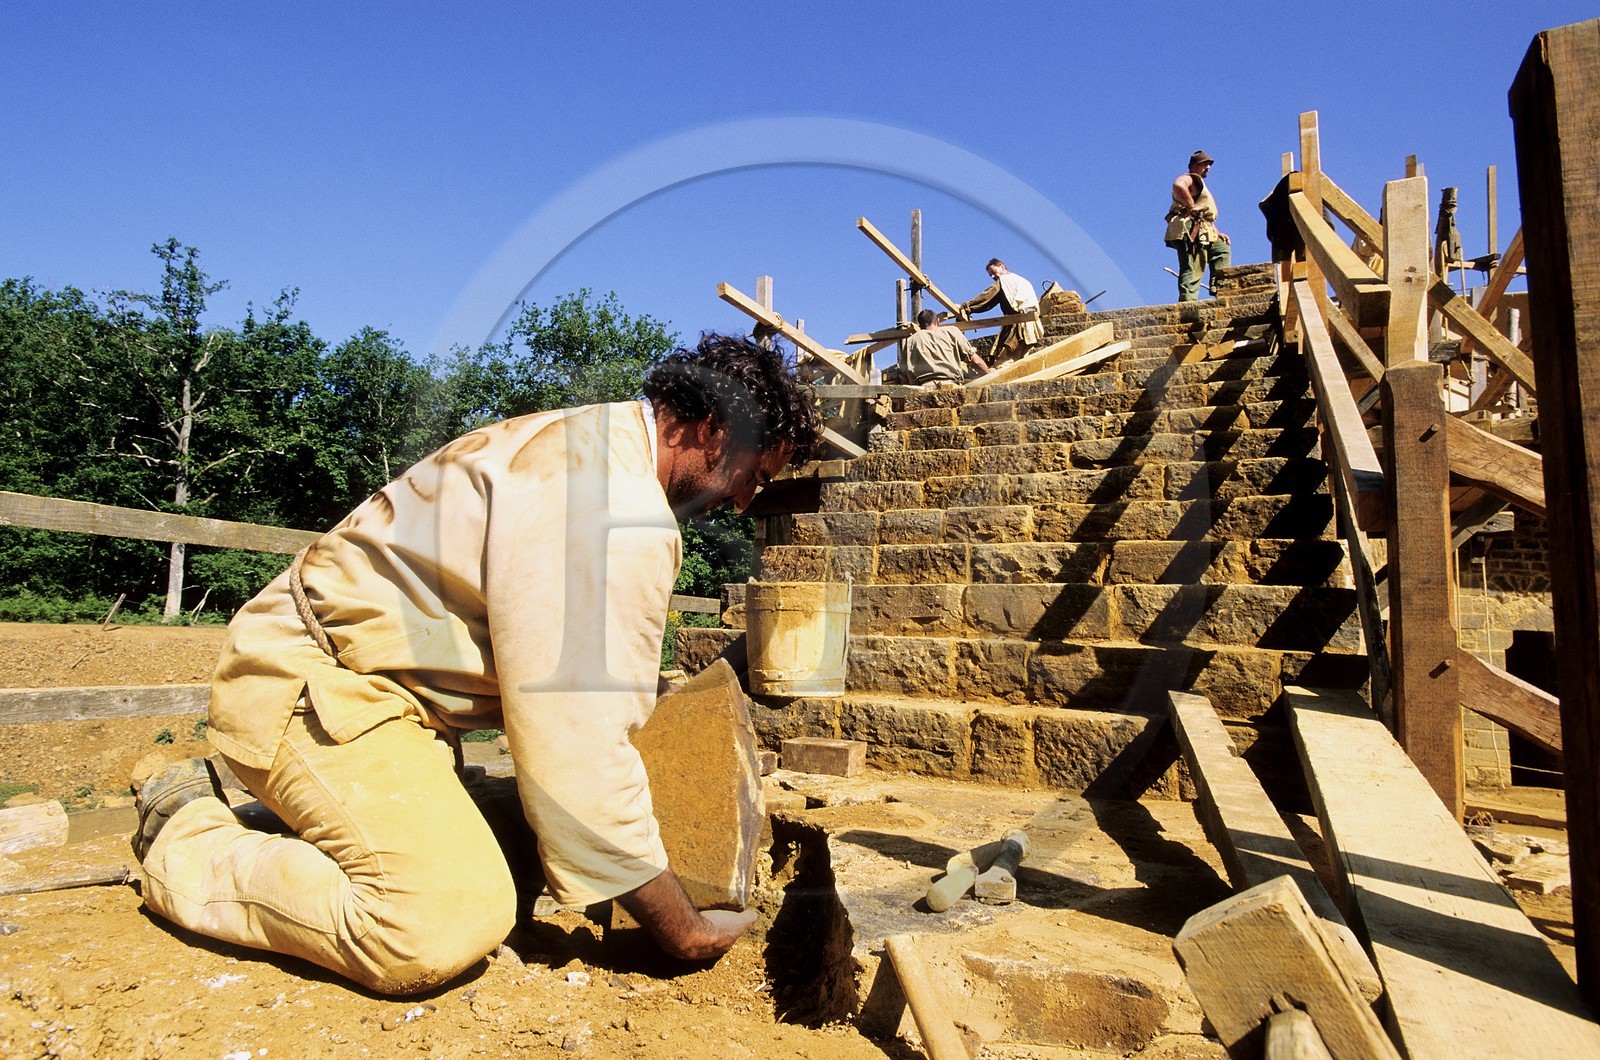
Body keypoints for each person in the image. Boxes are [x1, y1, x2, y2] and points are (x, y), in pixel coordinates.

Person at [131, 334, 821, 996]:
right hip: (314, 684)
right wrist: (683, 929)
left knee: (546, 846)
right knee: (437, 921)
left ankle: (347, 822)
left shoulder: (600, 446)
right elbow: (576, 746)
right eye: (752, 477)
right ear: (711, 428)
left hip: (394, 704)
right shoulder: (608, 507)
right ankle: (186, 833)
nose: (740, 502)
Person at [1165, 150, 1231, 302]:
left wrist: (1217, 232)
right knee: (1192, 266)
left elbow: (1204, 215)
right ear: (1193, 166)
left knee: (1221, 249)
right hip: (1190, 228)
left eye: (1208, 164)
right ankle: (1188, 303)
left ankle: (1219, 286)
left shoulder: (1199, 182)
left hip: (1204, 228)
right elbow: (1178, 185)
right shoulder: (1190, 178)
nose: (1207, 167)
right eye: (1204, 164)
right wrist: (1189, 204)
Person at [954, 258, 1043, 365]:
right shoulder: (1022, 280)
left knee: (1004, 361)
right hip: (1031, 326)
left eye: (993, 272)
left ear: (1002, 266)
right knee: (1021, 358)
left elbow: (987, 297)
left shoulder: (1004, 280)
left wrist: (966, 306)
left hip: (1020, 324)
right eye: (990, 275)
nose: (992, 276)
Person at [894, 308, 991, 385]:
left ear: (920, 325)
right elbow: (976, 361)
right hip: (950, 384)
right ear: (937, 322)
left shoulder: (912, 340)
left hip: (923, 387)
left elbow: (903, 374)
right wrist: (989, 374)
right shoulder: (952, 331)